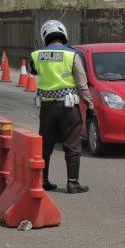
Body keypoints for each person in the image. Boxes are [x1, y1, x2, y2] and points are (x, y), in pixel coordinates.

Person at [28, 19, 95, 193]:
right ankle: (72, 183)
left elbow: (33, 71)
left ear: (45, 36)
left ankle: (43, 180)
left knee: (46, 145)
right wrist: (90, 105)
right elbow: (82, 84)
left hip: (47, 109)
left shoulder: (36, 55)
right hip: (69, 108)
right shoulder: (72, 55)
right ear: (63, 34)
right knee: (72, 143)